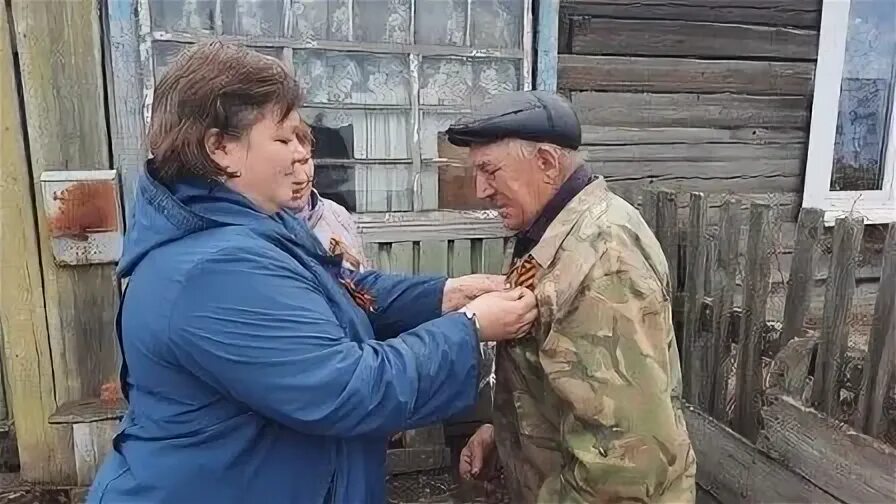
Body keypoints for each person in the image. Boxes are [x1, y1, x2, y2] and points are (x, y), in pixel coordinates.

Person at [87, 41, 537, 503]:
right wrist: (471, 328)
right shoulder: (216, 270)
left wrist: (445, 294)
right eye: (283, 139)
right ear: (220, 148)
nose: (300, 155)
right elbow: (348, 389)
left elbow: (337, 290)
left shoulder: (259, 226)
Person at [449, 90, 697, 503]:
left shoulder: (604, 259)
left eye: (490, 171)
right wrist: (504, 432)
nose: (480, 189)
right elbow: (566, 381)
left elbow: (624, 465)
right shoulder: (552, 232)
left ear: (546, 163)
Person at [287, 140, 368, 271]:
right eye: (289, 164)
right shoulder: (256, 226)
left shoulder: (337, 215)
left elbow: (364, 280)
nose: (300, 178)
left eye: (304, 161)